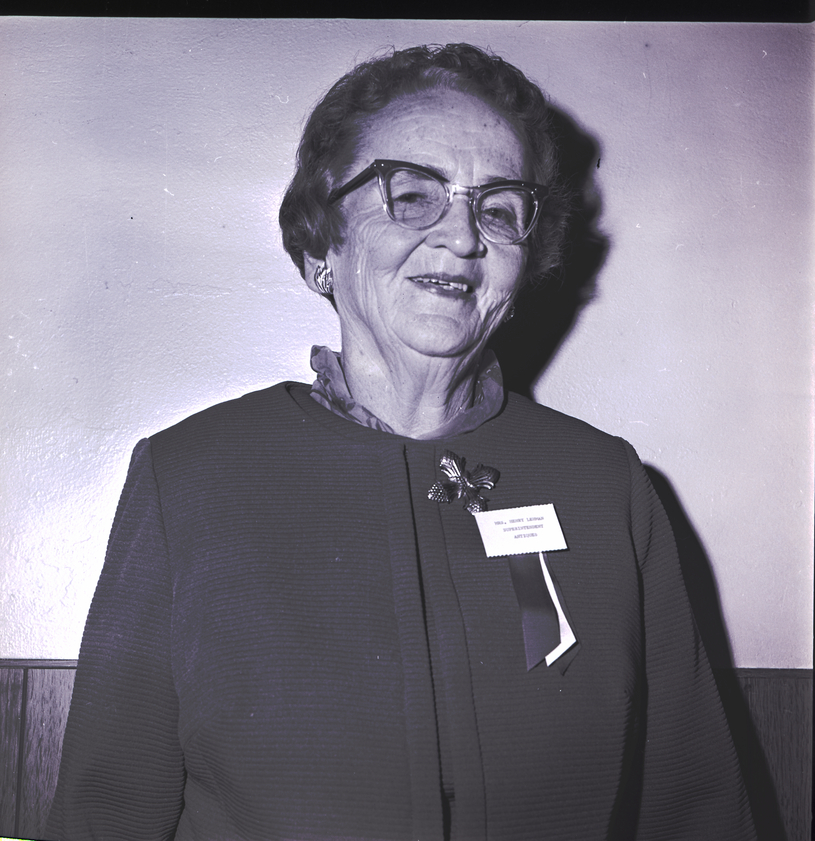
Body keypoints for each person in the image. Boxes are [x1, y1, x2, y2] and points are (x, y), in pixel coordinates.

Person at [47, 43, 756, 841]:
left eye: (498, 209)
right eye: (412, 195)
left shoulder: (606, 485)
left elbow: (695, 811)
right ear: (323, 245)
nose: (462, 238)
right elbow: (105, 813)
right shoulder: (189, 477)